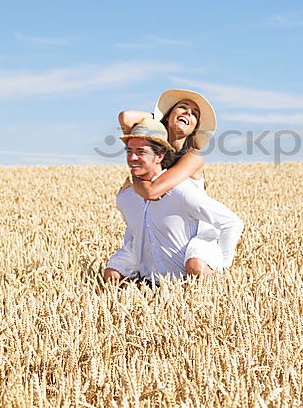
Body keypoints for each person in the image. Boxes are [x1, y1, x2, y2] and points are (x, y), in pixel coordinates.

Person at [103, 119, 243, 286]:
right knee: (110, 276)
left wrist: (222, 266)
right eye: (129, 151)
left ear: (159, 156)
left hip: (186, 269)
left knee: (196, 267)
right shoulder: (126, 197)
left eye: (141, 152)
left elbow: (232, 222)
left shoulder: (181, 190)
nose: (132, 157)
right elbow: (134, 234)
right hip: (151, 273)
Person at [118, 89, 215, 200]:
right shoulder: (154, 147)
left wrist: (132, 180)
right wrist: (161, 117)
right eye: (183, 107)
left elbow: (152, 192)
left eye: (194, 114)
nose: (188, 112)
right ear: (168, 116)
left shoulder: (194, 156)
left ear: (194, 129)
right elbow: (126, 117)